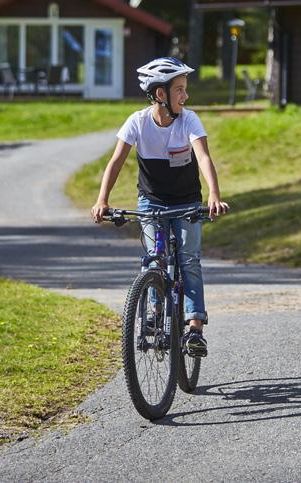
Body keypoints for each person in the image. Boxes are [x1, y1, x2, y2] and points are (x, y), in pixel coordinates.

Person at [91, 57, 228, 357]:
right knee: (155, 258)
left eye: (185, 89)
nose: (185, 95)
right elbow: (116, 162)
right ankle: (153, 312)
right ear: (160, 94)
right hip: (151, 200)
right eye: (179, 89)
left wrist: (214, 195)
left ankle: (194, 329)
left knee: (188, 259)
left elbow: (203, 157)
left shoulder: (189, 120)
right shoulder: (137, 122)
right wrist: (103, 199)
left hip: (187, 200)